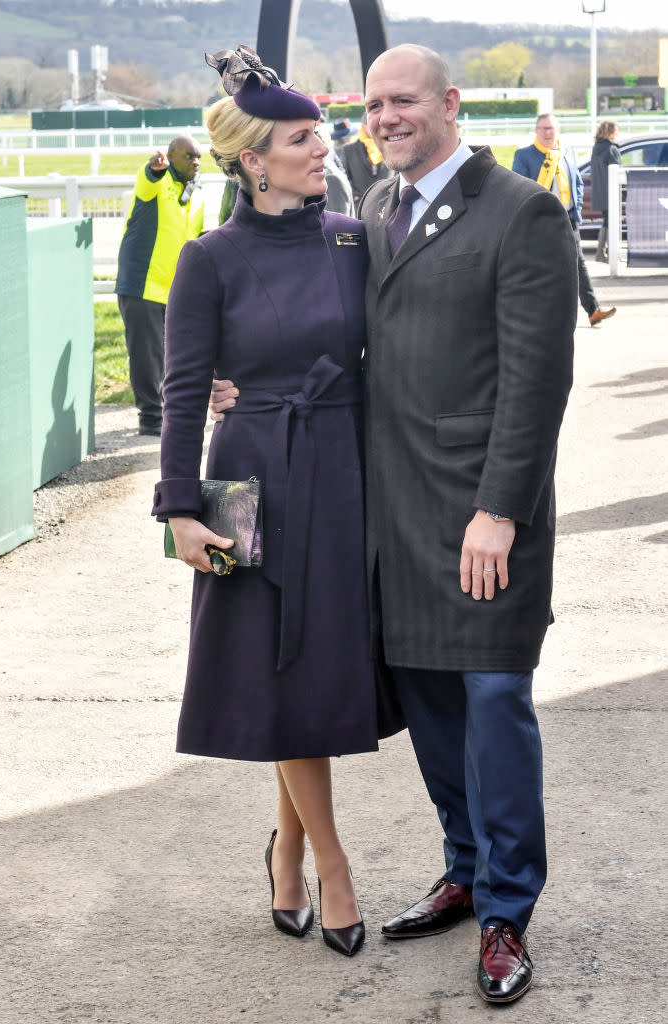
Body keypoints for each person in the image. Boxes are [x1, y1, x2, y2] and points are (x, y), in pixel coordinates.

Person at [212, 44, 577, 1004]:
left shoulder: (522, 212)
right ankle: (463, 869)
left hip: (481, 519)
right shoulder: (368, 213)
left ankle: (505, 912)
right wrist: (236, 377)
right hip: (385, 517)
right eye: (371, 105)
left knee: (494, 703)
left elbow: (537, 384)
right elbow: (311, 320)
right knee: (431, 710)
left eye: (403, 100)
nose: (384, 118)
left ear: (450, 104)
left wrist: (498, 511)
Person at [151, 45, 401, 959]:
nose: (324, 145)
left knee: (315, 669)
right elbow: (183, 393)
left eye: (323, 132)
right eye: (304, 136)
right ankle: (332, 863)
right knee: (277, 670)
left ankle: (288, 847)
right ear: (253, 158)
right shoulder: (209, 258)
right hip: (248, 479)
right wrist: (180, 511)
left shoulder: (349, 236)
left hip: (340, 469)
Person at [116, 136, 204, 435]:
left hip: (173, 289)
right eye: (188, 156)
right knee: (146, 354)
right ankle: (151, 417)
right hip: (142, 284)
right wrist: (154, 169)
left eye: (198, 157)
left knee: (173, 356)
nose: (195, 162)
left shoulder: (195, 195)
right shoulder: (157, 184)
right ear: (170, 157)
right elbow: (147, 178)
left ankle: (169, 412)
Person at [512, 114, 616, 327]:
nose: (548, 133)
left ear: (558, 130)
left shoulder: (567, 152)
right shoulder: (524, 155)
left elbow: (577, 182)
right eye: (543, 128)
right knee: (539, 266)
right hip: (539, 220)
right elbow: (517, 188)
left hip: (568, 218)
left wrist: (576, 208)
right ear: (536, 131)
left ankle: (593, 309)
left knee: (578, 265)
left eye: (551, 128)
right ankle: (533, 311)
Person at [340, 111, 393, 205]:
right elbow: (343, 177)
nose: (378, 128)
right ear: (363, 126)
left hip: (388, 204)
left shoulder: (392, 145)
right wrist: (354, 195)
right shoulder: (349, 150)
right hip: (361, 205)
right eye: (372, 124)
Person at [590, 120, 621, 262]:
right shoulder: (611, 149)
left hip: (600, 192)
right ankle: (604, 253)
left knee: (606, 221)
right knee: (611, 222)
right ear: (611, 132)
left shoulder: (596, 148)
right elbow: (617, 171)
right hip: (611, 190)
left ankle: (600, 252)